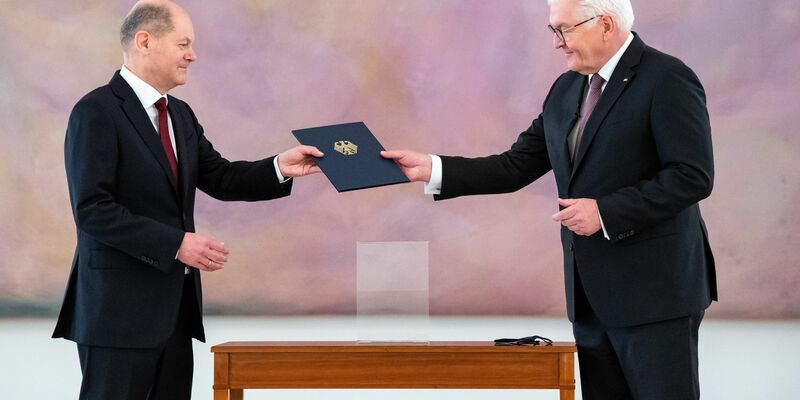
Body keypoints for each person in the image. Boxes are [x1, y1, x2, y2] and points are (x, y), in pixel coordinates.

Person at [382, 0, 717, 398]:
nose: (557, 43)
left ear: (605, 24)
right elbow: (516, 166)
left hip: (657, 295)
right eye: (553, 31)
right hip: (591, 297)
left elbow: (691, 175)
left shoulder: (667, 78)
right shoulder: (566, 88)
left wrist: (606, 212)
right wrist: (433, 168)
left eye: (564, 29)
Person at [51, 1, 323, 399]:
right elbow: (93, 210)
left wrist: (281, 166)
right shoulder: (96, 112)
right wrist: (176, 243)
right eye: (183, 44)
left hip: (174, 316)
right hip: (116, 316)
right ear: (145, 41)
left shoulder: (180, 115)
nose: (192, 54)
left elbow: (222, 177)